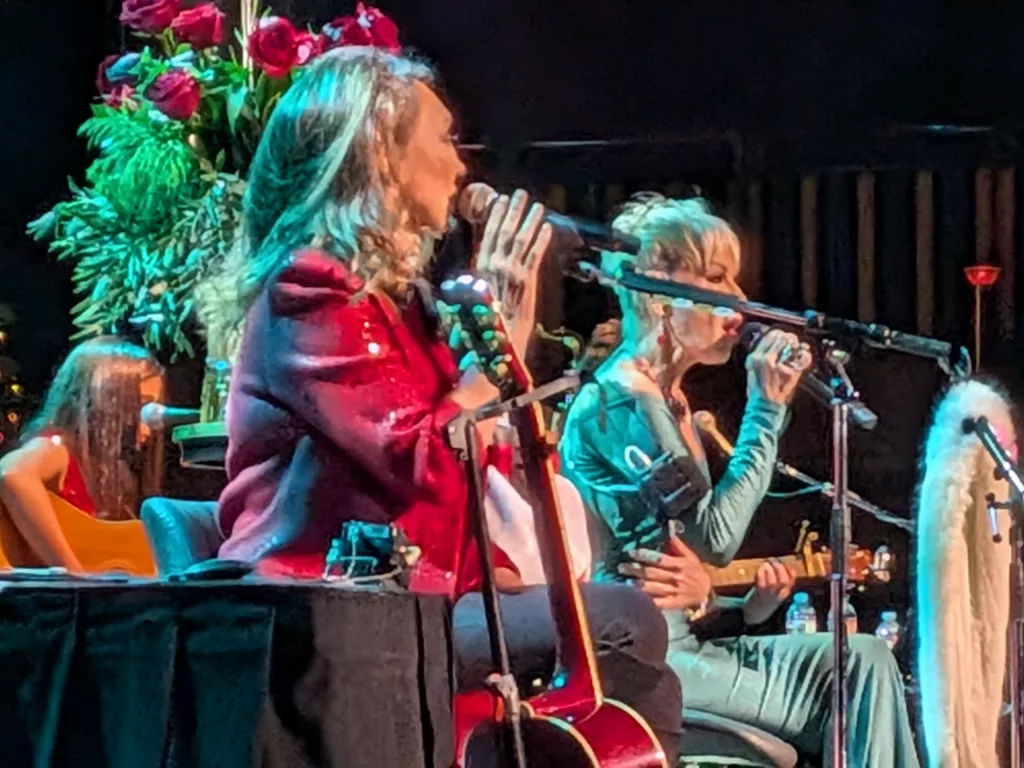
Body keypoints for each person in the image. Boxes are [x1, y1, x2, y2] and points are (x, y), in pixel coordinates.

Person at [214, 45, 681, 762]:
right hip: (331, 611)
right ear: (381, 154)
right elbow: (424, 460)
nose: (461, 166)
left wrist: (500, 369)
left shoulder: (402, 308)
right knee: (625, 621)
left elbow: (480, 466)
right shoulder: (309, 291)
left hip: (415, 599)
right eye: (442, 139)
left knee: (640, 674)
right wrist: (495, 353)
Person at [558, 194, 921, 767]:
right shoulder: (623, 402)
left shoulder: (670, 400)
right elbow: (714, 538)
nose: (739, 298)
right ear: (660, 291)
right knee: (852, 677)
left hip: (685, 643)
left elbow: (686, 558)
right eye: (716, 279)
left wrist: (736, 603)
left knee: (866, 656)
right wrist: (765, 410)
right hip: (641, 662)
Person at [0, 336, 164, 571]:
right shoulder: (56, 447)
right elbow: (13, 474)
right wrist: (72, 572)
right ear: (102, 400)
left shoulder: (108, 469)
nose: (149, 424)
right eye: (138, 406)